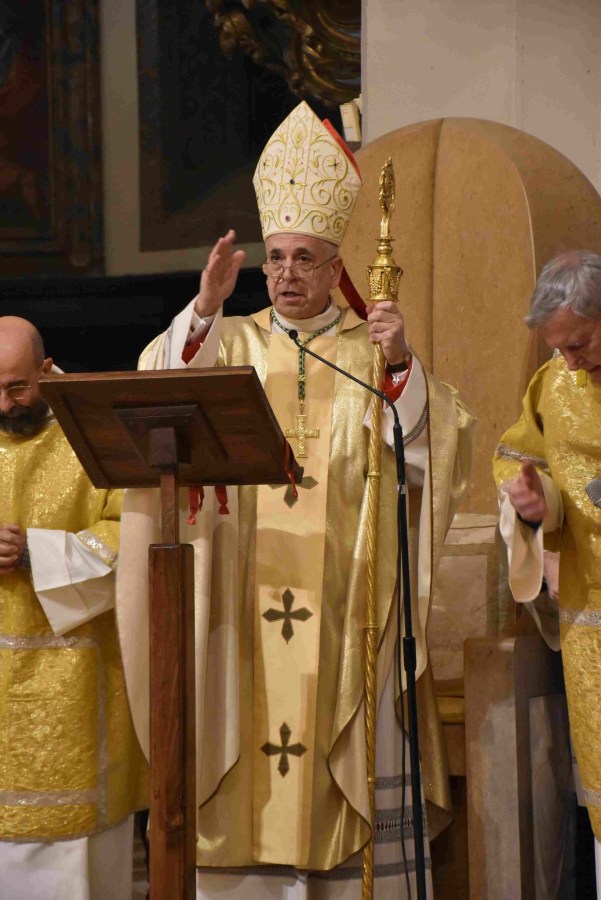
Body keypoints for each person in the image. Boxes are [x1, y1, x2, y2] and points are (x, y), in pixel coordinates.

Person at [117, 101, 475, 898]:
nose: (284, 273)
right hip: (234, 606)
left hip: (342, 609)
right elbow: (154, 388)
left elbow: (433, 447)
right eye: (273, 257)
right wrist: (205, 305)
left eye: (303, 258)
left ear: (334, 260)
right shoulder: (229, 343)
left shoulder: (367, 351)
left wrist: (402, 367)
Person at [0, 316, 148, 899]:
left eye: (17, 387)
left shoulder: (95, 432)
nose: (6, 404)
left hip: (79, 685)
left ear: (46, 369)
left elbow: (131, 537)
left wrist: (37, 553)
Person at [493, 249, 601, 892]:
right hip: (592, 623)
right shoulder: (553, 387)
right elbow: (518, 461)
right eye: (556, 348)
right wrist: (536, 506)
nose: (569, 361)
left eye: (580, 344)